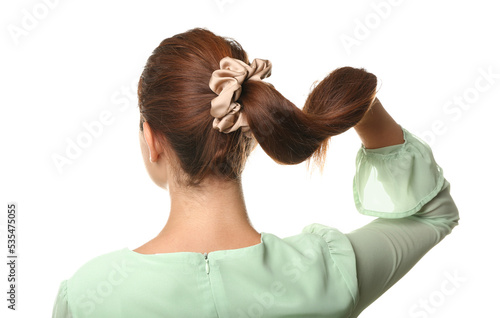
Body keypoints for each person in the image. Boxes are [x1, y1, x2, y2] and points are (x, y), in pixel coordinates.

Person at [51, 28, 459, 318]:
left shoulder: (87, 296)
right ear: (248, 134)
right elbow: (434, 213)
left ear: (152, 138)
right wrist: (358, 106)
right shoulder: (325, 273)